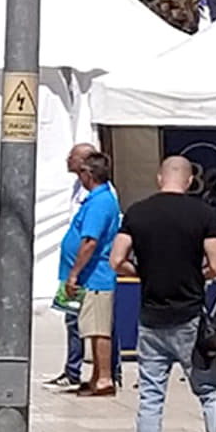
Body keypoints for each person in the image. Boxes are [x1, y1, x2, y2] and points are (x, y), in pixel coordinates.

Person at [109, 157, 216, 432]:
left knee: (150, 396)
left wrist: (144, 273)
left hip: (150, 318)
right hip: (190, 317)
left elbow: (117, 260)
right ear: (190, 181)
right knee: (210, 392)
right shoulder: (203, 214)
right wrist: (193, 275)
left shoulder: (137, 212)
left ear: (160, 177)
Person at [61, 152, 122, 397]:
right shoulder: (95, 199)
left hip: (95, 276)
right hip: (88, 276)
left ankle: (105, 377)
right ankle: (96, 375)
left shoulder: (100, 202)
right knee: (88, 327)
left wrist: (74, 274)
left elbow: (89, 241)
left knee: (98, 329)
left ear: (89, 174)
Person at [44, 142, 101, 392]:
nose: (67, 159)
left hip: (86, 271)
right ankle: (72, 368)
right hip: (72, 268)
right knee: (71, 318)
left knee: (91, 323)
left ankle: (103, 371)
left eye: (72, 156)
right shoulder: (78, 186)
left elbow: (91, 237)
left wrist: (76, 271)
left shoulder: (97, 194)